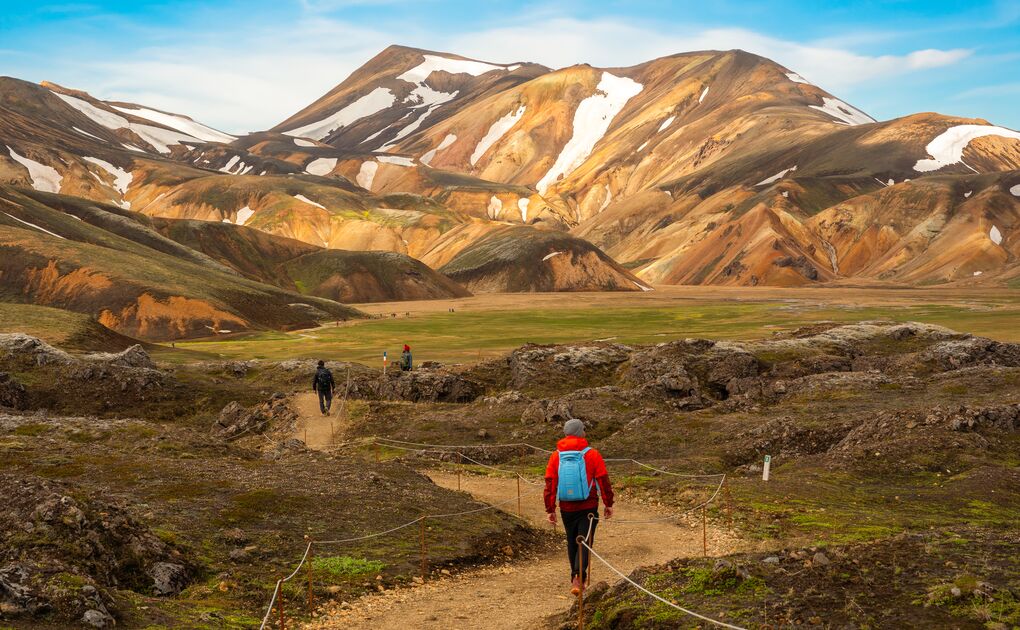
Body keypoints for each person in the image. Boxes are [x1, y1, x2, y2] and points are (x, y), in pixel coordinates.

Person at [544, 419, 614, 595]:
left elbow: (550, 484)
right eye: (583, 429)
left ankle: (575, 577)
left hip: (566, 507)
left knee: (572, 540)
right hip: (588, 507)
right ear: (579, 432)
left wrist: (550, 509)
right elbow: (603, 481)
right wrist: (608, 504)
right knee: (584, 541)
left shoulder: (556, 456)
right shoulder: (592, 454)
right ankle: (578, 578)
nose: (585, 432)